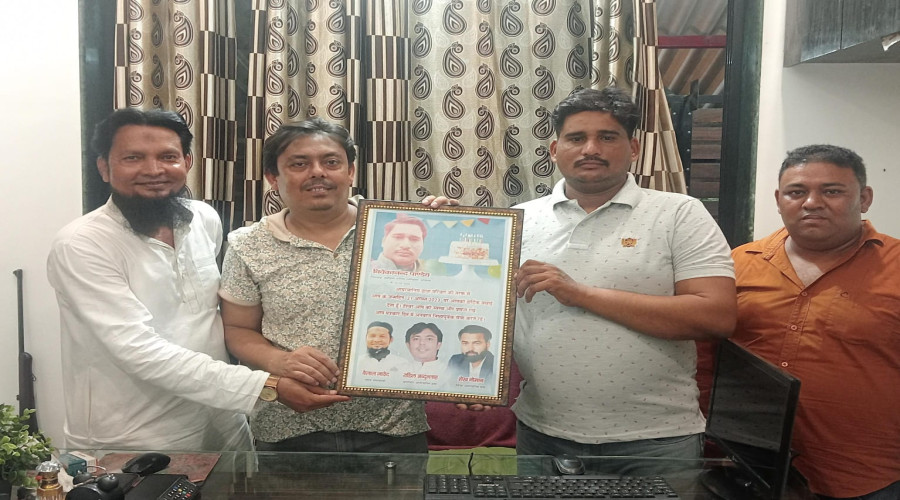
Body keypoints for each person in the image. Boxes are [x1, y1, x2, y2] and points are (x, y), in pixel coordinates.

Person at [46, 108, 313, 451]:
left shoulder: (203, 219)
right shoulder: (82, 244)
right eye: (133, 158)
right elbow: (138, 349)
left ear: (187, 162)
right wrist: (264, 386)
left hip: (222, 421)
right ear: (104, 167)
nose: (153, 170)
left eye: (168, 157)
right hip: (132, 437)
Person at [509, 87, 736, 471]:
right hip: (543, 434)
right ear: (554, 150)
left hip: (656, 441)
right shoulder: (519, 220)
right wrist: (440, 226)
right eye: (576, 138)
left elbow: (716, 317)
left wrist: (578, 293)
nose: (590, 149)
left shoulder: (679, 214)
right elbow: (474, 304)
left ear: (633, 148)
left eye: (607, 137)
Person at [219, 117, 434, 453]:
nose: (317, 172)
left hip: (394, 427)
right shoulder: (248, 245)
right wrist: (279, 362)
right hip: (289, 429)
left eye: (331, 162)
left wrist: (447, 224)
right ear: (273, 177)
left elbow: (447, 306)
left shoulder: (395, 230)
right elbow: (237, 329)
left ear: (350, 172)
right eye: (299, 164)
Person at [730, 145, 900, 499]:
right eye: (796, 192)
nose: (811, 203)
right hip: (749, 465)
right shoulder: (737, 264)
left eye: (832, 191)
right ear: (778, 200)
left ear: (865, 198)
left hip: (867, 474)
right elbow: (705, 358)